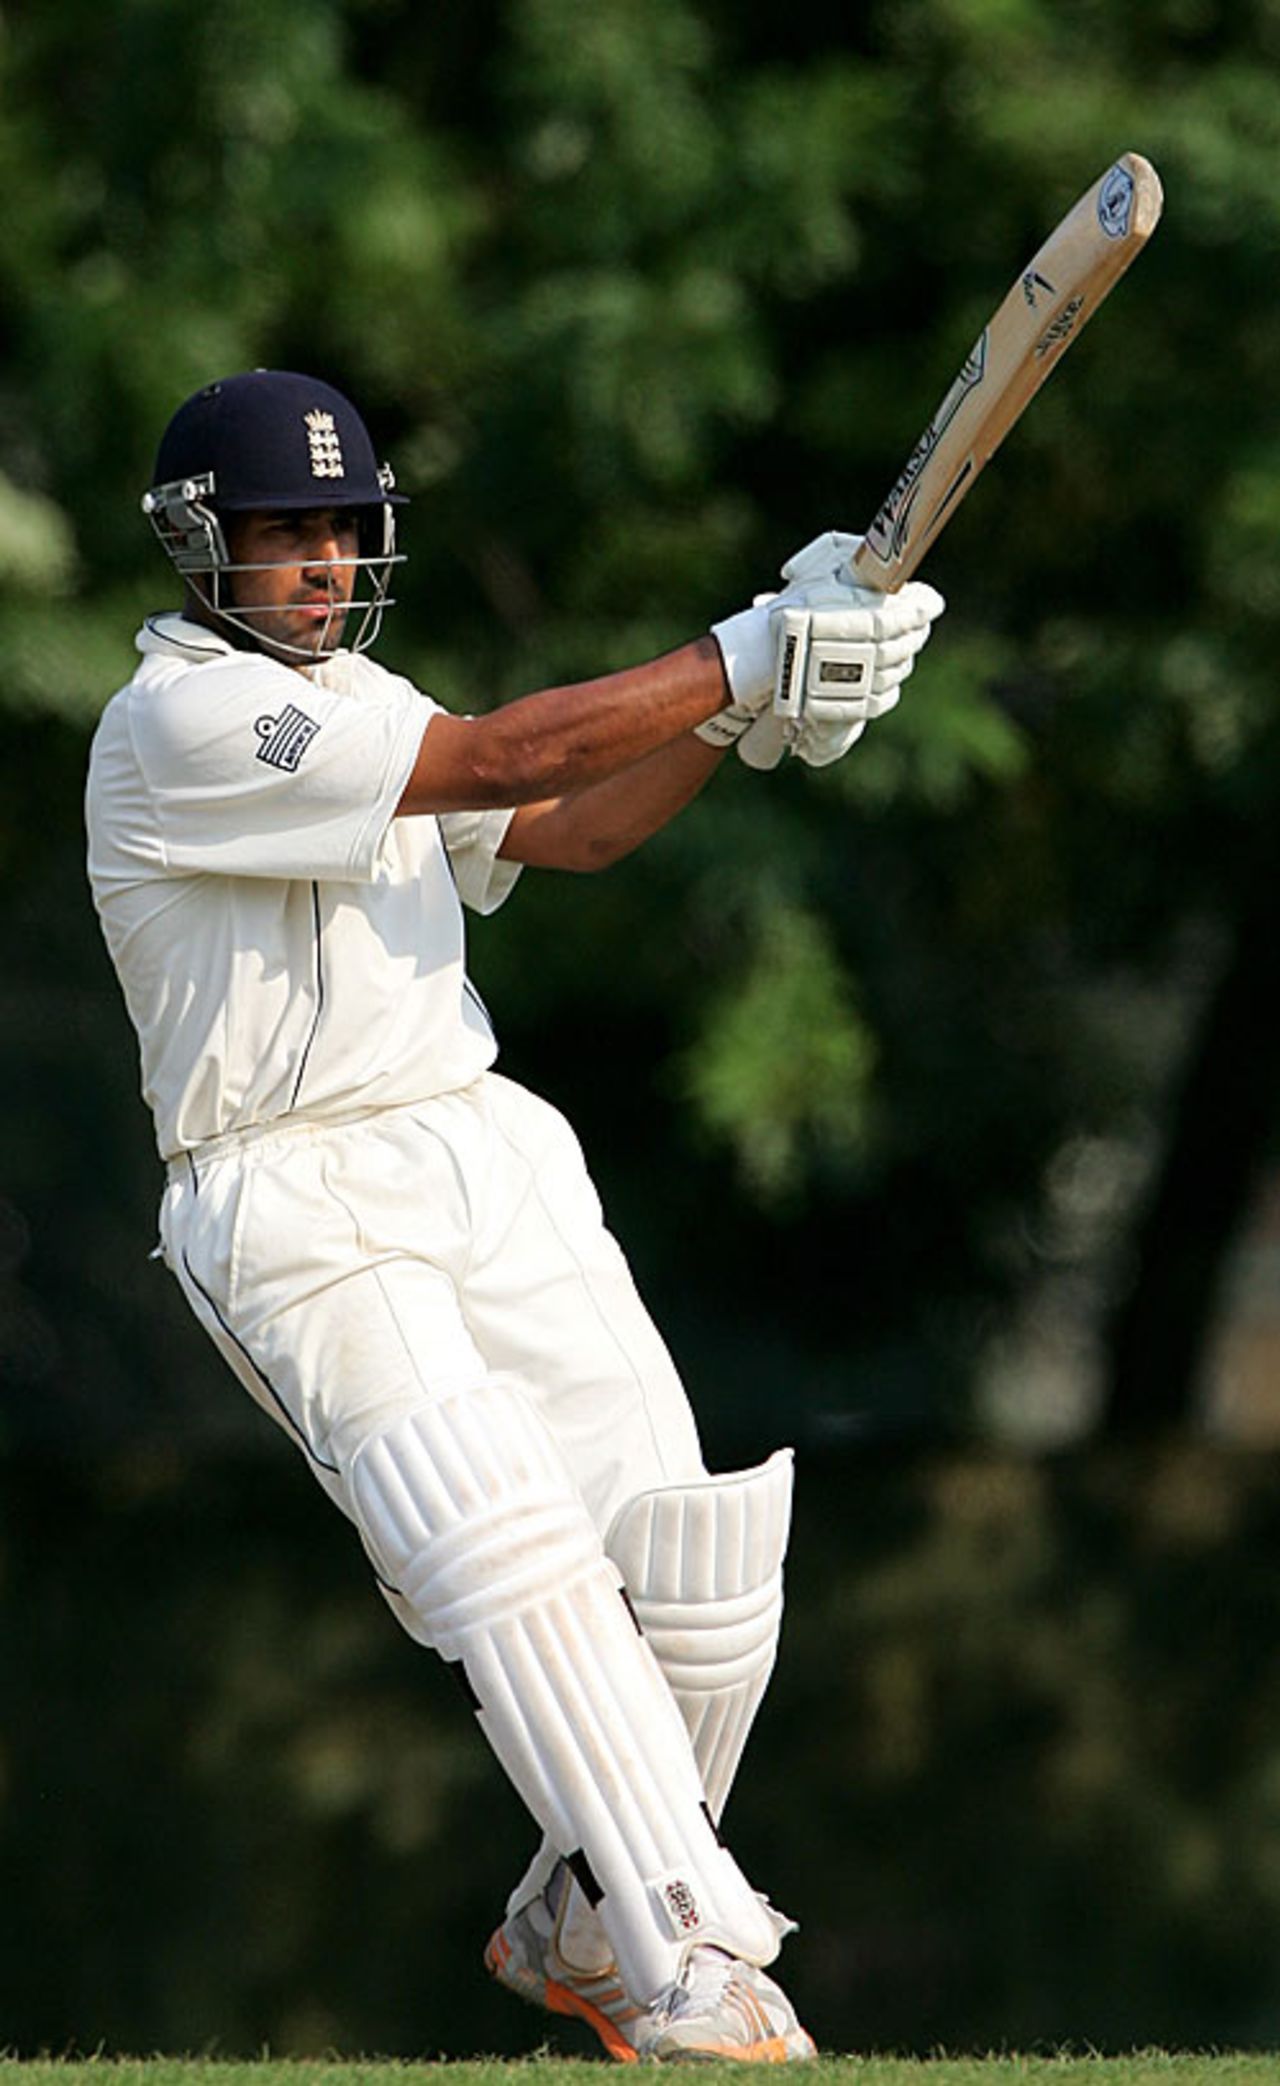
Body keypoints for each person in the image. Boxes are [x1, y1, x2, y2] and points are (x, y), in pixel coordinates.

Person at [84, 369, 944, 2063]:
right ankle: (689, 1952)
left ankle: (583, 1915)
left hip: (479, 1142)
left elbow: (566, 822)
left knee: (698, 1562)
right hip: (291, 1192)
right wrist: (746, 649)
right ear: (200, 544)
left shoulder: (365, 698)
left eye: (344, 528)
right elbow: (502, 753)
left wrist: (739, 723)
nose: (323, 562)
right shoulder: (176, 722)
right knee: (505, 1545)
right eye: (283, 531)